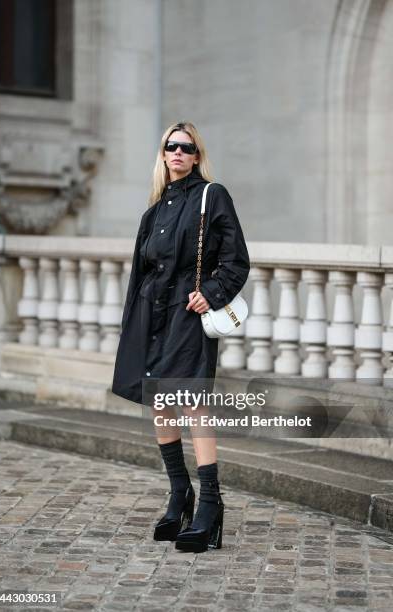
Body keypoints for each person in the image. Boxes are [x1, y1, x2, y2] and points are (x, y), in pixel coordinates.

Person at [111, 121, 250, 553]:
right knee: (160, 400)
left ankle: (210, 502)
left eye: (186, 148)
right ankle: (179, 493)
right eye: (170, 146)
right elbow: (141, 272)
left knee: (191, 400)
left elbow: (236, 259)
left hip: (187, 315)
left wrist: (210, 293)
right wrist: (130, 326)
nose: (177, 153)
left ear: (196, 155)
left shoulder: (212, 195)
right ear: (163, 154)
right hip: (149, 317)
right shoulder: (152, 212)